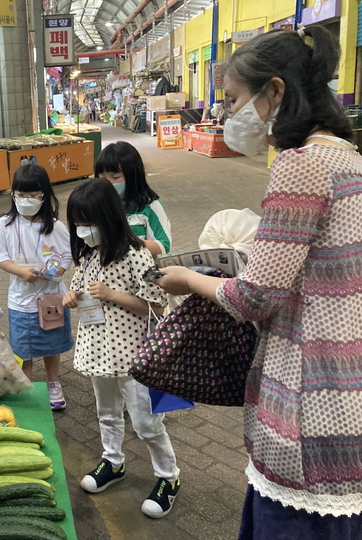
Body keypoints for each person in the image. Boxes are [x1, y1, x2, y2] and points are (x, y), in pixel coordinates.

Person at [155, 27, 362, 539]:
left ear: (274, 91)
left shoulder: (300, 164)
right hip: (349, 381)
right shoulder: (349, 159)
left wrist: (189, 279)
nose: (227, 114)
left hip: (307, 396)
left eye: (232, 99)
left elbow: (253, 298)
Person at [62, 178, 180, 518]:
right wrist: (71, 298)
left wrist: (113, 295)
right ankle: (113, 462)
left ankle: (168, 477)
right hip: (99, 352)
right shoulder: (87, 255)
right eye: (78, 225)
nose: (83, 231)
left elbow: (158, 307)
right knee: (107, 413)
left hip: (133, 357)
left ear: (109, 218)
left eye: (89, 223)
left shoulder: (137, 255)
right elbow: (78, 291)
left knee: (145, 421)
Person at [0, 164, 74, 410]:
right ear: (13, 195)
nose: (26, 200)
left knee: (52, 344)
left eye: (32, 195)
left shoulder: (56, 226)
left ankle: (52, 382)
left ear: (44, 196)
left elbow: (68, 256)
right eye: (20, 194)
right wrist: (21, 272)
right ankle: (25, 384)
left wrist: (56, 272)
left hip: (51, 298)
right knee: (23, 347)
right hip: (21, 300)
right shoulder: (5, 224)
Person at [95, 141, 171, 257]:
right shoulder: (97, 204)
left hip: (142, 271)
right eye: (102, 177)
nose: (107, 183)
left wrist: (124, 243)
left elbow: (164, 246)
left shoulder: (149, 206)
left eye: (115, 177)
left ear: (133, 176)